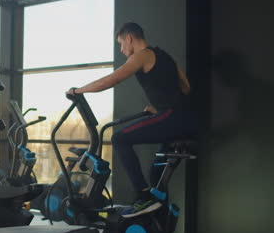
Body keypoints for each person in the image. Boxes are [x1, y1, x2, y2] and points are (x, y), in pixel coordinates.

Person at [67, 22, 195, 218]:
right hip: (183, 118)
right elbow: (185, 87)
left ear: (129, 38)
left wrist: (77, 90)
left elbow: (110, 80)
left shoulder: (141, 56)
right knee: (157, 175)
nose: (122, 49)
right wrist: (159, 107)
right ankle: (160, 222)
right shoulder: (164, 55)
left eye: (121, 44)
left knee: (119, 139)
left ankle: (143, 196)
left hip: (172, 117)